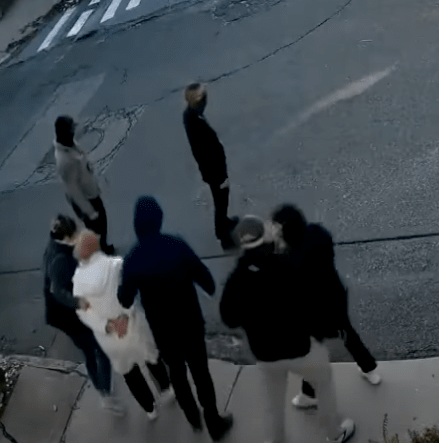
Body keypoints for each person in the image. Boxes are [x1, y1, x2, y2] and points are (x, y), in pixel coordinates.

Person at [221, 215, 355, 443]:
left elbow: (229, 318)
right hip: (299, 347)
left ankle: (277, 441)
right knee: (323, 379)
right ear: (266, 238)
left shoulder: (237, 279)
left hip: (265, 354)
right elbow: (312, 302)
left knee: (273, 406)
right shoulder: (288, 265)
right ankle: (333, 432)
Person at [117, 196, 233, 440]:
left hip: (163, 330)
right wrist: (208, 286)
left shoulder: (133, 259)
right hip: (189, 322)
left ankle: (193, 418)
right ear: (159, 220)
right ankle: (213, 420)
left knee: (178, 375)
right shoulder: (175, 245)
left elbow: (125, 299)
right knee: (201, 372)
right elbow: (205, 278)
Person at [269, 205, 381, 410]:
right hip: (335, 297)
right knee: (346, 332)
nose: (272, 228)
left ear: (286, 229)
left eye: (275, 225)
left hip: (313, 313)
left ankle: (309, 394)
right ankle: (369, 369)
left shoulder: (289, 258)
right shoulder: (317, 233)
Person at [72, 230, 175, 421]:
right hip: (134, 326)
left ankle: (149, 409)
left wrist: (108, 326)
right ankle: (166, 389)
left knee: (129, 372)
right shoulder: (116, 265)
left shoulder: (78, 283)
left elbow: (84, 313)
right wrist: (124, 317)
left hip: (110, 340)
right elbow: (131, 290)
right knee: (151, 356)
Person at [42, 214, 122, 415]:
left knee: (90, 351)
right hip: (70, 317)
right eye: (74, 234)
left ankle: (103, 389)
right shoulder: (59, 259)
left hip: (67, 315)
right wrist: (80, 302)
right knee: (98, 349)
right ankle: (105, 393)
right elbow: (57, 290)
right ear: (66, 237)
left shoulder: (54, 247)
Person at [182, 83, 237, 250]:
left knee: (221, 200)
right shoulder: (196, 122)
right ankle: (224, 236)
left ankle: (225, 222)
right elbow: (205, 151)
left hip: (212, 169)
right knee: (221, 201)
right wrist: (220, 172)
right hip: (215, 171)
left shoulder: (190, 115)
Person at [54, 115, 113, 254]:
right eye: (71, 129)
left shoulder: (70, 146)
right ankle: (100, 253)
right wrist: (89, 212)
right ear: (65, 133)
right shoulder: (65, 160)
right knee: (97, 227)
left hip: (90, 192)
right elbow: (73, 191)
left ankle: (102, 247)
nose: (74, 131)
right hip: (87, 199)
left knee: (101, 224)